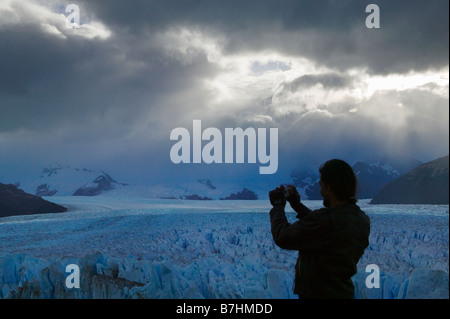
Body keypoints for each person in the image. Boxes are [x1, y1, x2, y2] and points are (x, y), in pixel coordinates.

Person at [269, 159, 370, 299]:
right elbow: (326, 228)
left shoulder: (326, 221)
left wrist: (278, 205)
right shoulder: (361, 219)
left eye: (321, 184)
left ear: (330, 187)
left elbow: (282, 236)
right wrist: (297, 205)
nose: (320, 189)